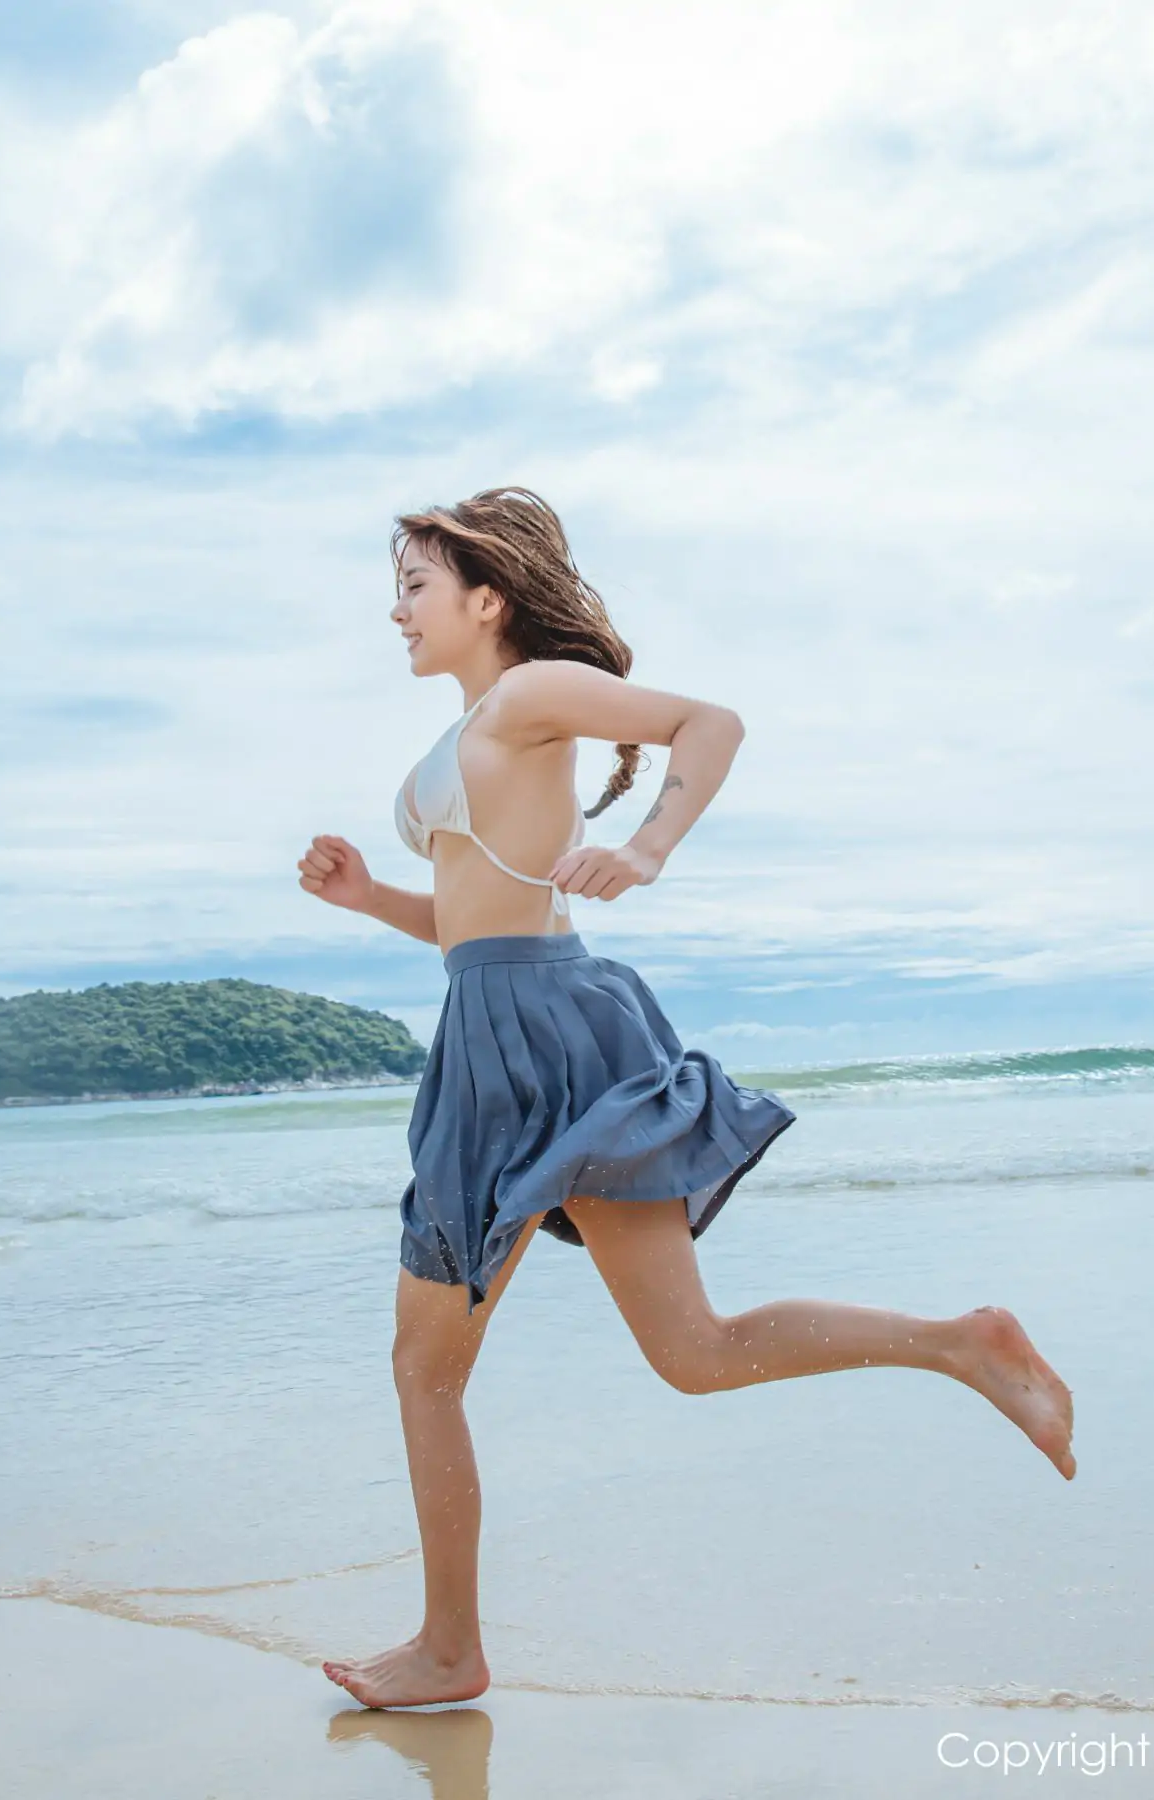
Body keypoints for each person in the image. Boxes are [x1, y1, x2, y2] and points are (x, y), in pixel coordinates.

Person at [295, 487, 1076, 1711]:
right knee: (688, 1355)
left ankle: (453, 1651)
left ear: (483, 598)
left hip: (544, 1031)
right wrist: (368, 904)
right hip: (499, 1021)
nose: (395, 610)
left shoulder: (527, 694)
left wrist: (650, 846)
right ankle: (958, 1344)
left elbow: (709, 723)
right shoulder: (472, 733)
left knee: (426, 1367)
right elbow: (474, 925)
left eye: (414, 586)